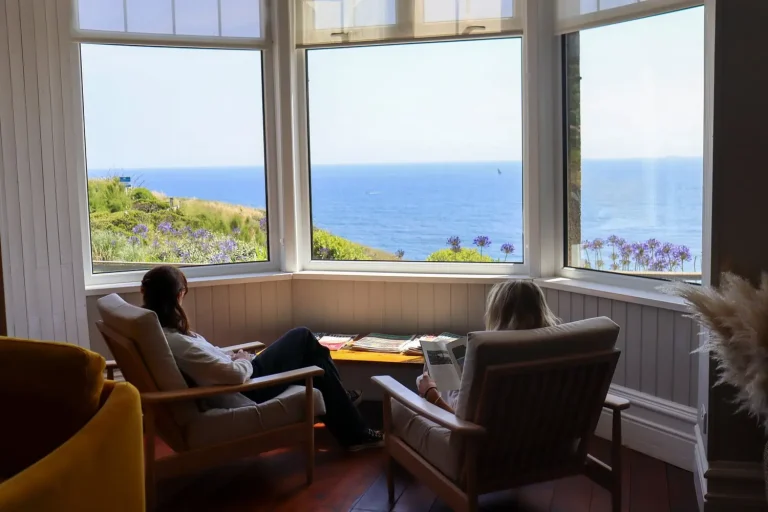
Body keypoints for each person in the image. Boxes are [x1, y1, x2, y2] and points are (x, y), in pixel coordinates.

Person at [140, 265, 383, 451]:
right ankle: (348, 415)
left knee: (313, 358)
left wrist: (231, 356)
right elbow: (233, 374)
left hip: (239, 377)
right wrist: (242, 361)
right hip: (248, 388)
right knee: (302, 337)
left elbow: (209, 361)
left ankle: (346, 415)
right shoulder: (177, 341)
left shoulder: (161, 335)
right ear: (179, 295)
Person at [416, 280, 559, 414]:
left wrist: (431, 393)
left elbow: (460, 421)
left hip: (486, 438)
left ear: (498, 315)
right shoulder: (558, 350)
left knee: (426, 377)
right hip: (550, 437)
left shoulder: (492, 355)